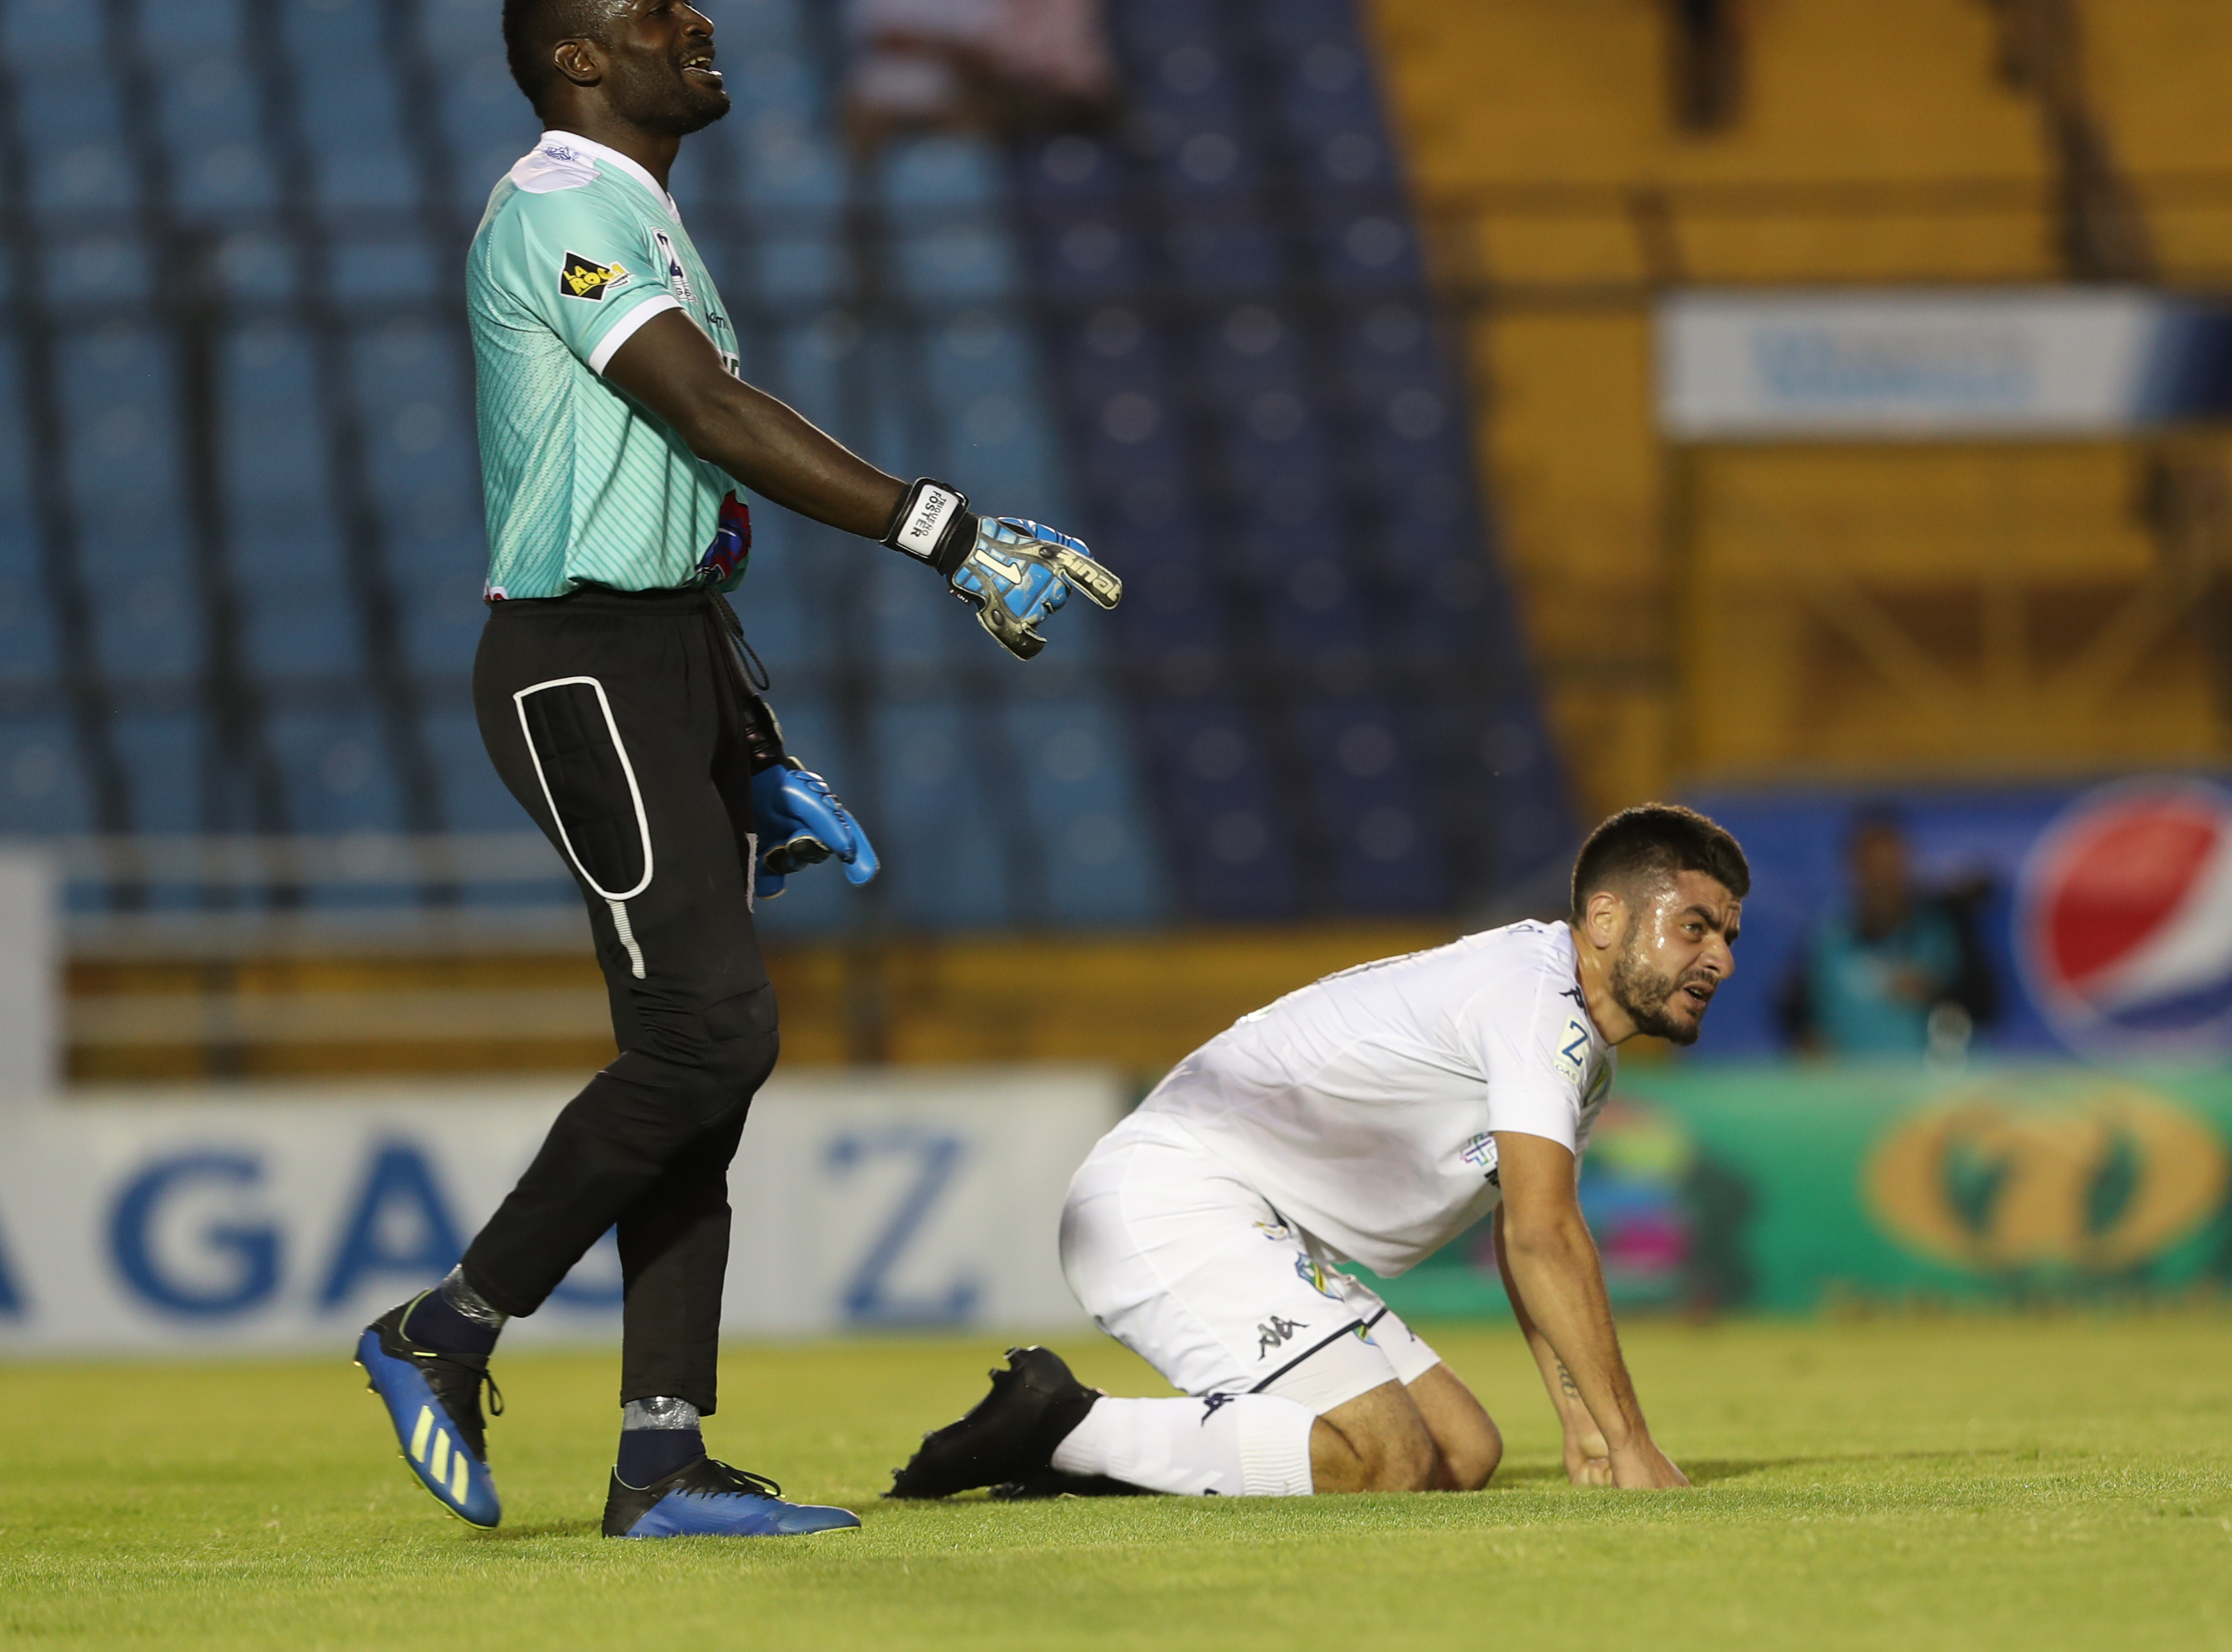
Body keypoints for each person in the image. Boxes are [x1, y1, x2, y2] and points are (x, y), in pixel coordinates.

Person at [354, 0, 1119, 1541]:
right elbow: (699, 409)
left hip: (666, 656)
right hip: (579, 666)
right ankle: (444, 1326)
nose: (697, 24)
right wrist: (946, 529)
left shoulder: (638, 210)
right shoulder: (562, 202)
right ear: (577, 57)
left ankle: (662, 1458)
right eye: (653, 15)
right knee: (709, 1040)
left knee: (704, 1060)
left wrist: (750, 741)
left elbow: (678, 508)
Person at [887, 804, 1747, 1500]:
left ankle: (1081, 1461)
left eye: (1729, 939)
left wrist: (1584, 1421)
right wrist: (1630, 1444)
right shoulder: (1537, 1006)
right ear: (1604, 917)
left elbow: (1528, 1230)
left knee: (1460, 1451)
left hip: (1251, 1220)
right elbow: (1544, 1237)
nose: (1720, 960)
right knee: (1388, 1463)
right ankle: (1063, 1424)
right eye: (1696, 927)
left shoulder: (1575, 1037)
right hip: (1169, 1199)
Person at [1777, 806, 1981, 1061]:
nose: (1882, 878)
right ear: (1852, 869)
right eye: (1872, 866)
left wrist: (1936, 992)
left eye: (1891, 865)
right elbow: (1792, 1011)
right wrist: (1806, 1040)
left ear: (1908, 864)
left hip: (1928, 1090)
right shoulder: (1827, 937)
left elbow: (1984, 1007)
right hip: (1848, 1090)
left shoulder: (1942, 932)